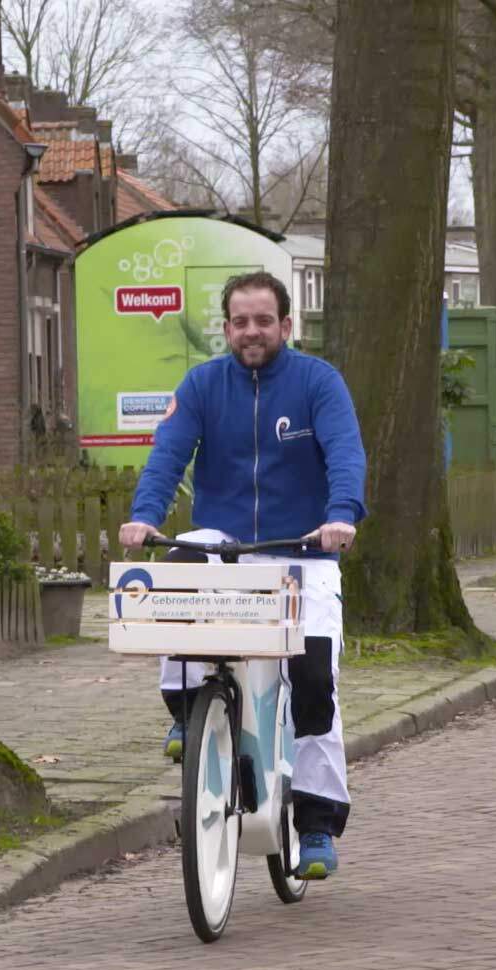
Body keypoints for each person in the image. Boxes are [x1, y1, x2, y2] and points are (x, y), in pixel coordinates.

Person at [119, 271, 366, 881]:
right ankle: (186, 706)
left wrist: (340, 516)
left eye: (263, 321)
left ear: (286, 325)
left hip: (301, 550)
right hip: (227, 544)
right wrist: (143, 518)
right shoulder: (203, 385)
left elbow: (345, 452)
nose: (251, 332)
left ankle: (314, 823)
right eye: (240, 322)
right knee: (179, 566)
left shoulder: (318, 383)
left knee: (314, 678)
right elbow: (168, 453)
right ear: (226, 328)